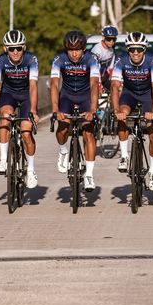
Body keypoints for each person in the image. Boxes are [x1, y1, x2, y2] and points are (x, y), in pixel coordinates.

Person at [0, 30, 40, 189]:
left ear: (24, 47)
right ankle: (3, 159)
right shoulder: (0, 61)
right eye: (11, 48)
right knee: (5, 116)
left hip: (26, 95)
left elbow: (33, 86)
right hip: (8, 94)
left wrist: (34, 111)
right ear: (5, 49)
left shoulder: (31, 59)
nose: (15, 52)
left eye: (18, 48)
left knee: (26, 132)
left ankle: (30, 169)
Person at [111, 31, 153, 190]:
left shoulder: (152, 61)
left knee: (152, 130)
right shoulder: (121, 61)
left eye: (139, 49)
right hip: (129, 94)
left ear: (144, 50)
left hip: (147, 95)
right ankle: (125, 157)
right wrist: (116, 110)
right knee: (122, 115)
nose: (135, 53)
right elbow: (114, 86)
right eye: (132, 49)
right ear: (127, 50)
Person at [50, 30, 100, 191]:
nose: (74, 54)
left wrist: (93, 109)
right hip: (67, 96)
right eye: (70, 50)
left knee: (88, 132)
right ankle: (63, 151)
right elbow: (55, 84)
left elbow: (94, 84)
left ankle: (89, 176)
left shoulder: (91, 59)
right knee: (63, 126)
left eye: (77, 50)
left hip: (85, 97)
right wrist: (55, 109)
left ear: (83, 49)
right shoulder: (59, 59)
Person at [91, 25, 118, 92]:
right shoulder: (97, 50)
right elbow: (95, 69)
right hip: (94, 77)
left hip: (104, 77)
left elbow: (110, 67)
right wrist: (99, 84)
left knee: (117, 89)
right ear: (103, 37)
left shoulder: (112, 49)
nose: (111, 41)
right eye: (109, 39)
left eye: (114, 39)